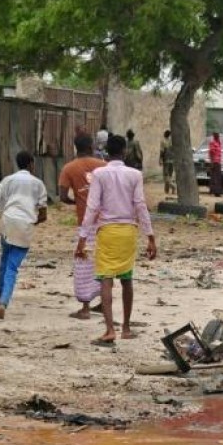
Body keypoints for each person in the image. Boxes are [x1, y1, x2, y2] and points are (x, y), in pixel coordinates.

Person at [77, 134, 157, 346]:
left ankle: (110, 329)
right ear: (124, 151)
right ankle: (127, 328)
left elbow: (92, 208)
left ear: (105, 151)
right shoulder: (135, 175)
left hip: (107, 232)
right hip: (128, 232)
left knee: (106, 279)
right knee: (127, 279)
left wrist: (82, 240)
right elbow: (140, 205)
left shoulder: (99, 174)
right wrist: (150, 237)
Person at [0, 151, 48, 319]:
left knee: (4, 263)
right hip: (25, 227)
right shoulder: (38, 184)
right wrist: (32, 222)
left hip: (8, 223)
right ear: (31, 163)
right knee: (12, 268)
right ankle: (3, 302)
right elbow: (43, 214)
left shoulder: (7, 180)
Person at [58, 135, 106, 320]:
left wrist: (77, 201)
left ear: (75, 147)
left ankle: (85, 308)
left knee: (83, 263)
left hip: (86, 221)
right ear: (92, 146)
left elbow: (62, 196)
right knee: (103, 261)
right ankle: (103, 302)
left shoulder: (69, 168)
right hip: (105, 221)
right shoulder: (103, 166)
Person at [208, 132, 223, 196]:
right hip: (214, 162)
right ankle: (216, 192)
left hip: (218, 161)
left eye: (218, 135)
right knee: (215, 177)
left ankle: (213, 190)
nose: (218, 136)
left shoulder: (219, 143)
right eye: (216, 136)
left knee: (217, 177)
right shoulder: (212, 143)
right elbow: (211, 153)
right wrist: (211, 162)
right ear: (214, 136)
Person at [159, 130, 175, 195]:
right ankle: (166, 191)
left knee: (166, 176)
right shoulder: (172, 142)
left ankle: (173, 186)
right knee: (170, 176)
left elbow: (162, 152)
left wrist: (160, 159)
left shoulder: (163, 141)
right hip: (172, 160)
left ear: (165, 134)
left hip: (166, 160)